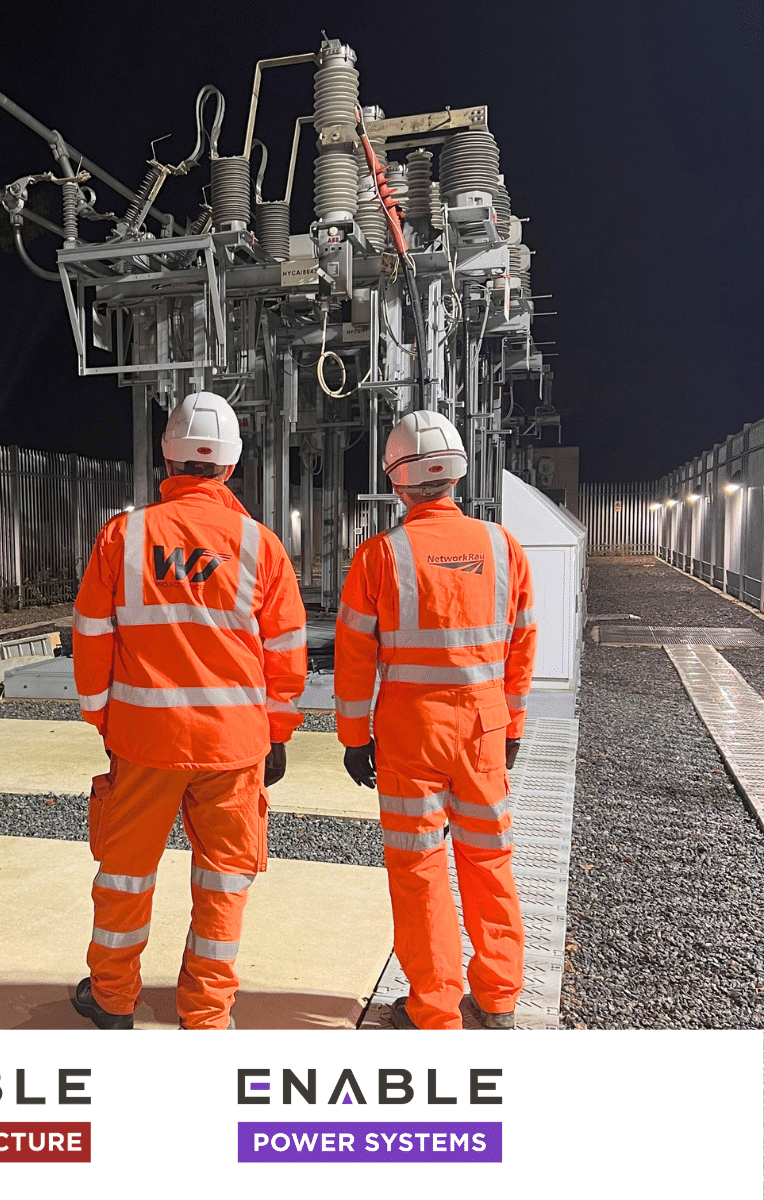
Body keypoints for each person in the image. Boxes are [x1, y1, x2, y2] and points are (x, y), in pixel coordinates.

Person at [70, 391, 307, 1030]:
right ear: (230, 466)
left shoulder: (124, 537)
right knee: (224, 881)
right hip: (233, 747)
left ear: (167, 458)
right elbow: (286, 651)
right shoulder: (260, 545)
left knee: (125, 873)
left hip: (144, 740)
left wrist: (103, 719)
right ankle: (205, 1012)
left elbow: (91, 636)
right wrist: (277, 731)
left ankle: (112, 999)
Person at [334, 410, 537, 1030]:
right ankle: (498, 998)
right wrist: (513, 728)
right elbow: (522, 645)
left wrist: (354, 738)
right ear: (456, 474)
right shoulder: (503, 548)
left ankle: (434, 1007)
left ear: (397, 479)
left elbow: (354, 656)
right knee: (489, 859)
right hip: (483, 732)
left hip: (409, 736)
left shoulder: (381, 556)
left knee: (419, 868)